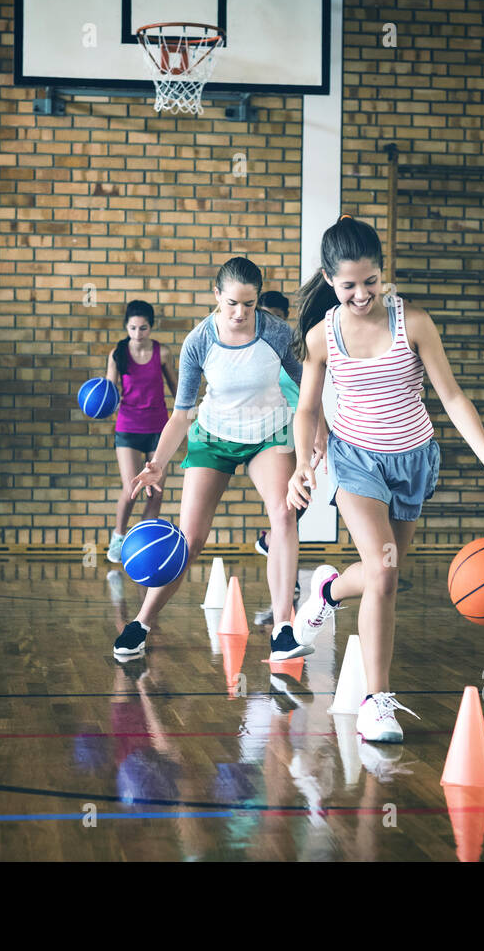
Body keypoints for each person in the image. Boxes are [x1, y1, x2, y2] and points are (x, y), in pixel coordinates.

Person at [287, 215, 484, 744]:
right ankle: (377, 702)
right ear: (330, 280)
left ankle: (327, 590)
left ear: (383, 273)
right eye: (349, 285)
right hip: (356, 462)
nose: (361, 294)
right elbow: (307, 408)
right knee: (381, 571)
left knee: (386, 577)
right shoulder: (320, 336)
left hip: (414, 460)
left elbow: (451, 395)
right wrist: (304, 463)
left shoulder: (413, 322)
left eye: (371, 281)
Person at [121, 258, 313, 662]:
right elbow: (181, 413)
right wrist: (158, 461)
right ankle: (140, 623)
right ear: (216, 297)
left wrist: (321, 433)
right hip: (212, 436)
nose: (241, 313)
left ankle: (282, 629)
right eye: (231, 304)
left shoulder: (277, 332)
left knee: (283, 514)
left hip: (268, 435)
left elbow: (305, 386)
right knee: (189, 541)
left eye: (249, 303)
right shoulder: (198, 342)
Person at [105, 301, 177, 563]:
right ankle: (118, 537)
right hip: (128, 428)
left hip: (159, 429)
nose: (137, 334)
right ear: (126, 327)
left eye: (143, 328)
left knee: (156, 490)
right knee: (132, 487)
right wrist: (99, 404)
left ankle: (143, 543)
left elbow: (177, 389)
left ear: (150, 327)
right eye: (133, 328)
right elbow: (108, 393)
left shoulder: (163, 353)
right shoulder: (117, 354)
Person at [252, 290, 307, 624]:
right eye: (264, 314)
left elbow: (308, 393)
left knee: (298, 505)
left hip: (298, 430)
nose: (268, 321)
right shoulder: (257, 354)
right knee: (285, 511)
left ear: (284, 317)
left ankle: (270, 541)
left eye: (275, 315)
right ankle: (290, 586)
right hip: (271, 436)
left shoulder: (293, 351)